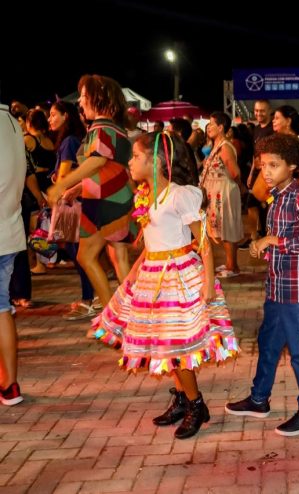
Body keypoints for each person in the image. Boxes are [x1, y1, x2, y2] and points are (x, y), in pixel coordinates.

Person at [92, 132, 239, 438]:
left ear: (156, 161)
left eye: (134, 156)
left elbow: (203, 240)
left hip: (178, 276)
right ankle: (184, 399)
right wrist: (134, 274)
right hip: (153, 273)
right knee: (164, 342)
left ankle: (197, 404)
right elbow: (150, 243)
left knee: (175, 343)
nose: (130, 162)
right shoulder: (145, 194)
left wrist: (209, 282)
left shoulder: (179, 194)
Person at [225, 133, 299, 437]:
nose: (265, 171)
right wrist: (261, 245)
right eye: (263, 164)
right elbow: (279, 241)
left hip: (297, 293)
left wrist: (272, 240)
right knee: (268, 346)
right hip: (278, 288)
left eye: (273, 165)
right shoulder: (277, 197)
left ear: (292, 166)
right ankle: (258, 399)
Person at [47, 74, 136, 310]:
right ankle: (127, 313)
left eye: (85, 96)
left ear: (101, 99)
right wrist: (77, 188)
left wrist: (61, 185)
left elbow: (97, 161)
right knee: (118, 257)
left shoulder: (102, 127)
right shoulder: (115, 128)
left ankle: (113, 314)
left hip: (105, 201)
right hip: (115, 196)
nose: (81, 102)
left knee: (87, 256)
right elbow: (109, 166)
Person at [47, 100, 98, 321]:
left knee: (77, 251)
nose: (50, 119)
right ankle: (90, 296)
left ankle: (89, 298)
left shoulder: (68, 141)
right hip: (77, 200)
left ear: (66, 115)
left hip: (71, 203)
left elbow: (65, 175)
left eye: (53, 114)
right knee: (77, 250)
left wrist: (56, 180)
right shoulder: (74, 139)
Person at [0, 101, 27, 406]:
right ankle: (9, 384)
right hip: (8, 226)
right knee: (2, 306)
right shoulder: (11, 123)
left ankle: (8, 383)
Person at [200, 112, 243, 279]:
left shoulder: (225, 147)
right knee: (221, 227)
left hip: (224, 191)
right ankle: (230, 263)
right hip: (216, 191)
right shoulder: (216, 145)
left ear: (221, 127)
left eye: (212, 124)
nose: (208, 127)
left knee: (227, 228)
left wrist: (235, 186)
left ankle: (233, 266)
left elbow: (234, 172)